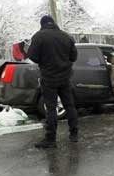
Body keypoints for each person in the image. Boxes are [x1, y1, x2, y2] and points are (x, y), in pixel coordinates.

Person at [27, 15, 78, 149]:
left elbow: (32, 56)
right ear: (54, 23)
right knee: (69, 106)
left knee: (51, 108)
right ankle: (74, 134)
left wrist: (45, 61)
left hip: (49, 78)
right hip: (65, 78)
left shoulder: (39, 36)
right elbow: (74, 56)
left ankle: (51, 139)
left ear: (42, 24)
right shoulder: (66, 36)